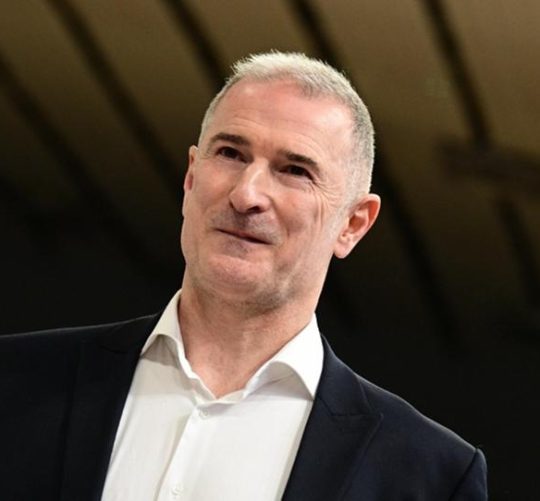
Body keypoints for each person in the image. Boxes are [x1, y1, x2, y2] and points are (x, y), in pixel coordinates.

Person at [0, 52, 487, 500]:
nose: (246, 194)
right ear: (191, 177)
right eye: (231, 153)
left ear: (353, 224)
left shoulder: (429, 475)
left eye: (295, 170)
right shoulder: (15, 380)